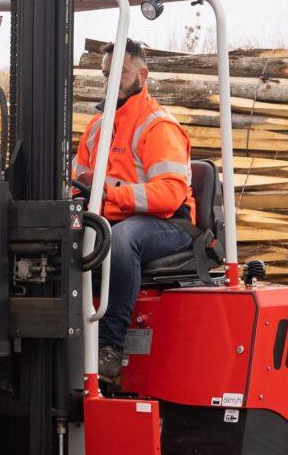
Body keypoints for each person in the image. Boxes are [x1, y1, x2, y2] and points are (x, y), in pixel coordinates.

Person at [71, 37, 195, 385]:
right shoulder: (96, 128)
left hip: (168, 224)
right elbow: (78, 182)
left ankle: (109, 347)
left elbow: (170, 194)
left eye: (120, 73)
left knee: (121, 240)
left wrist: (113, 193)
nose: (112, 81)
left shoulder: (157, 126)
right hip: (110, 219)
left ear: (143, 75)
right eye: (106, 74)